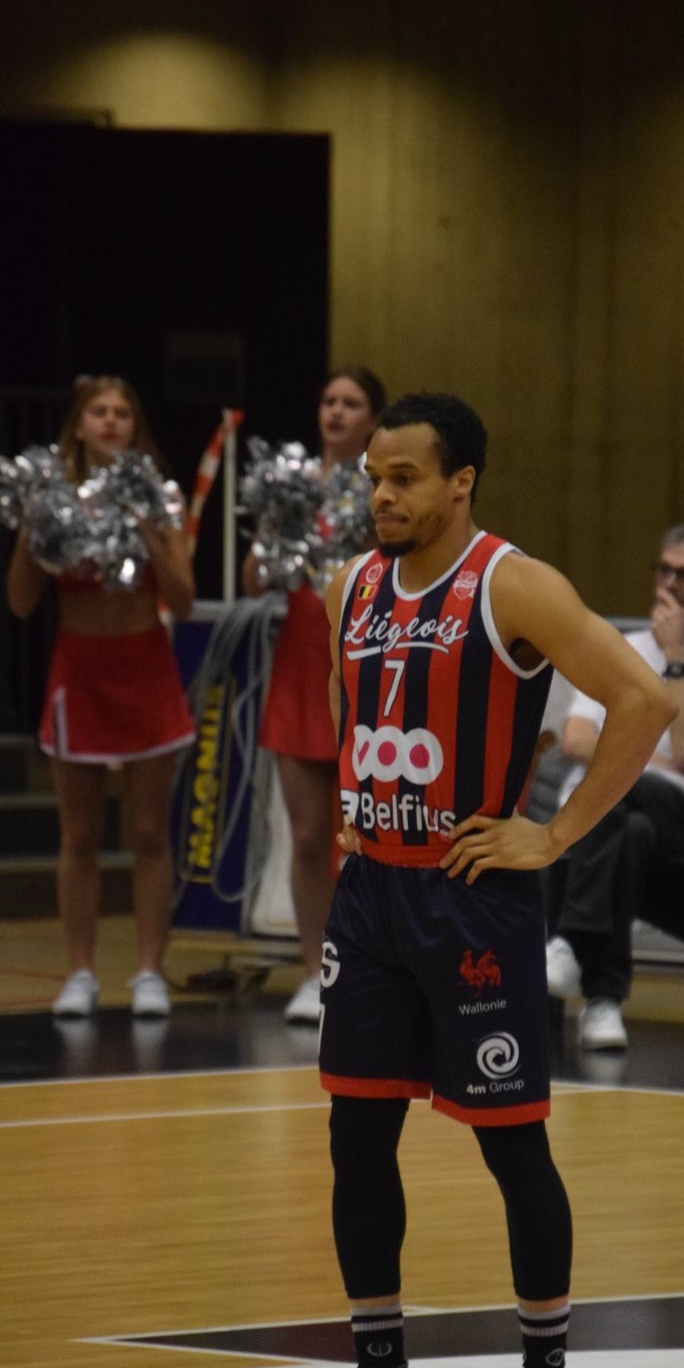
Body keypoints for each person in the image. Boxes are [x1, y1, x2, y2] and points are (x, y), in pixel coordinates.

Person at [264, 393, 674, 1368]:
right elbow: (354, 709)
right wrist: (358, 806)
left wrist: (555, 834)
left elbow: (644, 699)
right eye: (373, 477)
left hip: (472, 898)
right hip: (371, 898)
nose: (382, 495)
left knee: (512, 1146)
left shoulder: (512, 583)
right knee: (356, 1140)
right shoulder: (352, 586)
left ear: (461, 482)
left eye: (403, 477)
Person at [6, 375, 196, 1019]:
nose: (112, 421)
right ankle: (80, 973)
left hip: (145, 669)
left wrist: (151, 529)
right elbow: (20, 601)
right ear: (79, 425)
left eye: (123, 413)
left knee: (148, 832)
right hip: (79, 674)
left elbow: (184, 599)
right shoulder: (54, 498)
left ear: (135, 426)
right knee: (80, 833)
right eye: (99, 412)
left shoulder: (160, 494)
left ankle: (149, 972)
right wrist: (32, 530)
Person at [546, 522, 684, 1050]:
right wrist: (670, 763)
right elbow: (576, 739)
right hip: (602, 807)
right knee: (628, 832)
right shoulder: (616, 648)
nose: (669, 583)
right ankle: (604, 1001)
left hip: (676, 816)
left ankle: (570, 941)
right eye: (663, 569)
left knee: (624, 799)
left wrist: (675, 656)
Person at [242, 365, 387, 1024]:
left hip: (366, 667)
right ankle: (314, 972)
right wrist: (275, 524)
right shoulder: (293, 487)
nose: (336, 412)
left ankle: (369, 971)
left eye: (351, 403)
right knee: (306, 840)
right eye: (329, 400)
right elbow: (254, 581)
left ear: (373, 419)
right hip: (301, 667)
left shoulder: (384, 489)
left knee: (368, 840)